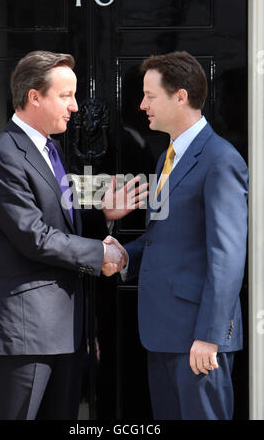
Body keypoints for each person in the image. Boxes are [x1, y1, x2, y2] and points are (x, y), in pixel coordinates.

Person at [0, 50, 146, 420]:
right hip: (24, 337)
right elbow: (34, 236)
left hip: (64, 333)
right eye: (65, 95)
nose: (75, 106)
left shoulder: (50, 149)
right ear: (34, 97)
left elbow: (59, 220)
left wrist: (102, 214)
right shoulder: (2, 156)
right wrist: (101, 254)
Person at [103, 51, 248, 420]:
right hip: (164, 334)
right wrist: (124, 255)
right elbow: (164, 237)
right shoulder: (167, 157)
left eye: (150, 96)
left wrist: (210, 336)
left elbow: (227, 254)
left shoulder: (221, 160)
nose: (142, 104)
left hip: (198, 340)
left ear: (180, 96)